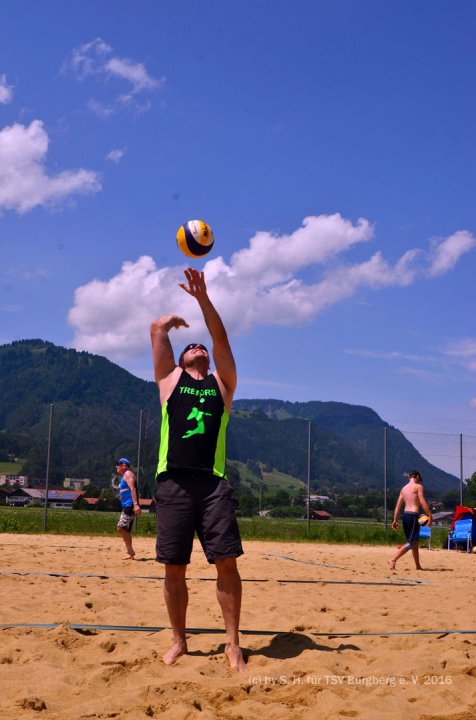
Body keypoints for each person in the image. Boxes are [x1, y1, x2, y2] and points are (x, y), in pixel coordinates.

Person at [150, 267, 245, 672]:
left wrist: (202, 299)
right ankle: (179, 641)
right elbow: (156, 331)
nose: (197, 346)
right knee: (175, 567)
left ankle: (233, 644)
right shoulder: (169, 382)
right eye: (189, 346)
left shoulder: (222, 385)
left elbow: (219, 337)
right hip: (172, 482)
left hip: (212, 484)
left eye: (199, 346)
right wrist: (165, 325)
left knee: (226, 562)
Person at [388, 470, 432, 571]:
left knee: (415, 543)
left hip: (406, 516)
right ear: (416, 477)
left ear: (409, 477)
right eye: (419, 479)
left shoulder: (403, 489)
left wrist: (395, 520)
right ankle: (393, 560)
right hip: (413, 516)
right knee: (412, 542)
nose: (420, 482)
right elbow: (422, 501)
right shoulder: (418, 487)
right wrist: (429, 515)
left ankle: (418, 566)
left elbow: (398, 506)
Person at [115, 458, 141, 560]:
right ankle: (130, 552)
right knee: (125, 529)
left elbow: (133, 489)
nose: (116, 466)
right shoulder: (125, 476)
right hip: (127, 505)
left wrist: (135, 505)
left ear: (124, 465)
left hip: (129, 505)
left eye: (118, 464)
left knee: (120, 527)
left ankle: (130, 551)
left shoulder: (128, 474)